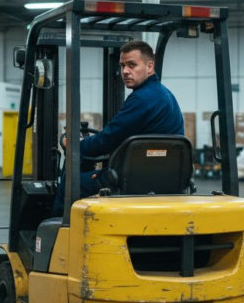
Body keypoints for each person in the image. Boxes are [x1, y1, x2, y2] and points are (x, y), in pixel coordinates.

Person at [52, 40, 185, 215]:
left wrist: (75, 146)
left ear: (149, 66)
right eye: (122, 65)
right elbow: (119, 135)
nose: (125, 71)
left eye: (132, 65)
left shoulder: (142, 99)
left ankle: (57, 235)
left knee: (70, 182)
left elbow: (107, 139)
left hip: (135, 179)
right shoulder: (164, 94)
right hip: (164, 178)